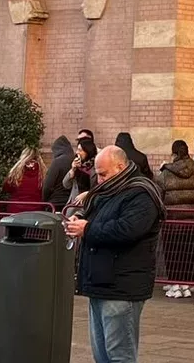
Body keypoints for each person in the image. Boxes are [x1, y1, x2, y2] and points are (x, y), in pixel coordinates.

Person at [65, 145, 162, 363]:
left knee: (119, 354)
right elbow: (92, 211)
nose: (99, 180)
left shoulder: (141, 193)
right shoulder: (109, 190)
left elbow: (127, 230)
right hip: (100, 281)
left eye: (103, 174)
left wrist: (86, 228)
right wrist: (78, 218)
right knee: (102, 354)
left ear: (120, 167)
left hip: (122, 285)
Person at [157, 140, 194, 297]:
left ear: (174, 155)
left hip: (173, 221)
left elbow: (159, 196)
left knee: (173, 254)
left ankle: (175, 285)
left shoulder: (165, 174)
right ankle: (186, 284)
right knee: (188, 253)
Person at [42, 136, 75, 208]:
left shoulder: (57, 162)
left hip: (56, 201)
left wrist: (44, 201)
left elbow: (48, 185)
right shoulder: (75, 161)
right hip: (71, 202)